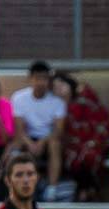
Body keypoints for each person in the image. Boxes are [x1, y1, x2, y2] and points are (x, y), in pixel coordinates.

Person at [52, 71, 109, 202]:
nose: (60, 91)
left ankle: (84, 191)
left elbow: (100, 121)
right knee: (73, 158)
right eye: (56, 89)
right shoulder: (60, 107)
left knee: (88, 155)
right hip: (73, 144)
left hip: (94, 139)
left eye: (62, 86)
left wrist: (93, 140)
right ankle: (90, 190)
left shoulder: (86, 98)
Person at [11, 61, 67, 200]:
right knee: (17, 144)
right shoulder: (18, 98)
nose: (40, 82)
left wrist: (42, 142)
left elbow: (58, 130)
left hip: (47, 139)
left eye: (44, 78)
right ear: (30, 79)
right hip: (27, 138)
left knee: (55, 144)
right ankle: (13, 189)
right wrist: (29, 143)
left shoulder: (57, 102)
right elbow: (19, 128)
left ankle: (52, 189)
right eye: (37, 78)